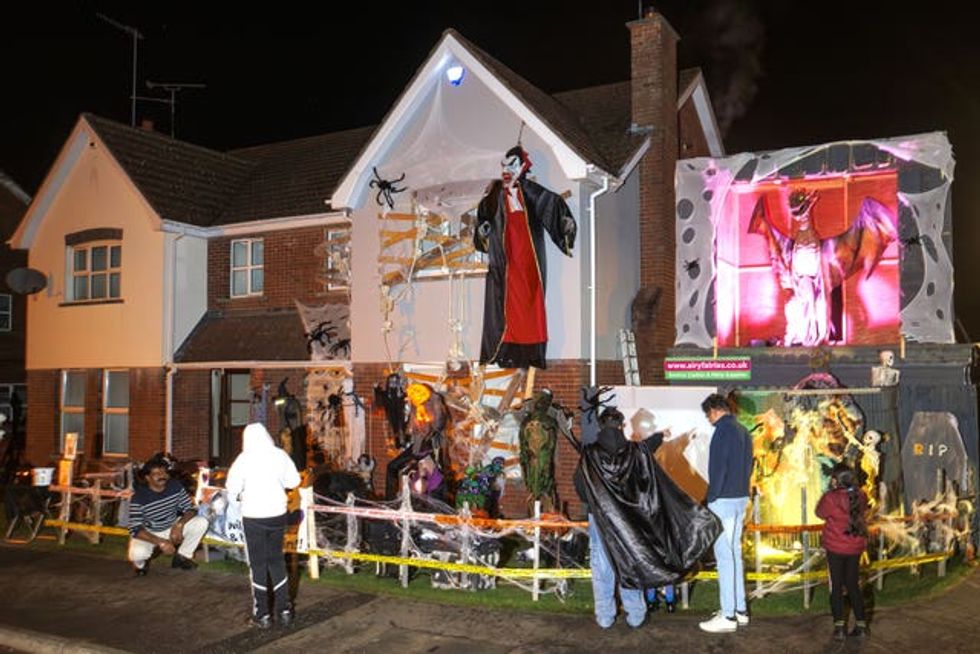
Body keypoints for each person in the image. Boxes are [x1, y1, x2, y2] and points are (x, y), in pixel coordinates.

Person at [574, 403, 719, 629]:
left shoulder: (590, 455)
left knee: (601, 566)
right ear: (622, 426)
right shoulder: (633, 451)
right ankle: (636, 614)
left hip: (600, 518)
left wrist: (595, 502)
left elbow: (581, 486)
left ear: (601, 425)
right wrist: (661, 436)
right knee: (630, 560)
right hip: (629, 519)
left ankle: (604, 616)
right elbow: (646, 451)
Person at [474, 145, 577, 369]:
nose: (506, 170)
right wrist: (483, 232)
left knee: (530, 306)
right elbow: (483, 216)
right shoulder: (493, 196)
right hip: (503, 260)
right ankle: (505, 352)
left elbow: (553, 205)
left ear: (522, 167)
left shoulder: (531, 192)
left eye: (511, 165)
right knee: (504, 306)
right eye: (503, 165)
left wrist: (565, 226)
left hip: (528, 259)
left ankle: (530, 353)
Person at [226, 422, 301, 630]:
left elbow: (231, 489)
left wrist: (238, 503)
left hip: (253, 517)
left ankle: (262, 614)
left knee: (258, 565)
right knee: (277, 561)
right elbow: (294, 481)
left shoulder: (243, 459)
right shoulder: (279, 455)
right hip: (277, 515)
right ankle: (284, 609)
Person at [698, 393, 754, 633]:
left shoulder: (722, 431)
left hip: (723, 501)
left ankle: (728, 616)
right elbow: (749, 465)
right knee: (735, 554)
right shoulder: (743, 431)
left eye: (708, 414)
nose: (708, 419)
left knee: (724, 557)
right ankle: (740, 610)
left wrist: (711, 497)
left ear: (715, 410)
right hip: (741, 498)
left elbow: (718, 468)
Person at [128, 454, 209, 576]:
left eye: (164, 473)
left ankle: (183, 557)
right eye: (157, 474)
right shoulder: (139, 497)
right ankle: (141, 566)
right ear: (147, 478)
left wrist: (179, 525)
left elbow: (190, 509)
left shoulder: (175, 486)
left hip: (172, 525)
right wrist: (161, 542)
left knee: (202, 522)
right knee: (137, 554)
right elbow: (135, 529)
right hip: (150, 532)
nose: (162, 476)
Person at [816, 463, 869, 641]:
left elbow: (820, 513)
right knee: (853, 584)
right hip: (855, 547)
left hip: (835, 547)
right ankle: (861, 625)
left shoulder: (831, 497)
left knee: (836, 586)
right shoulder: (861, 495)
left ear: (835, 480)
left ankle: (839, 627)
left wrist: (828, 491)